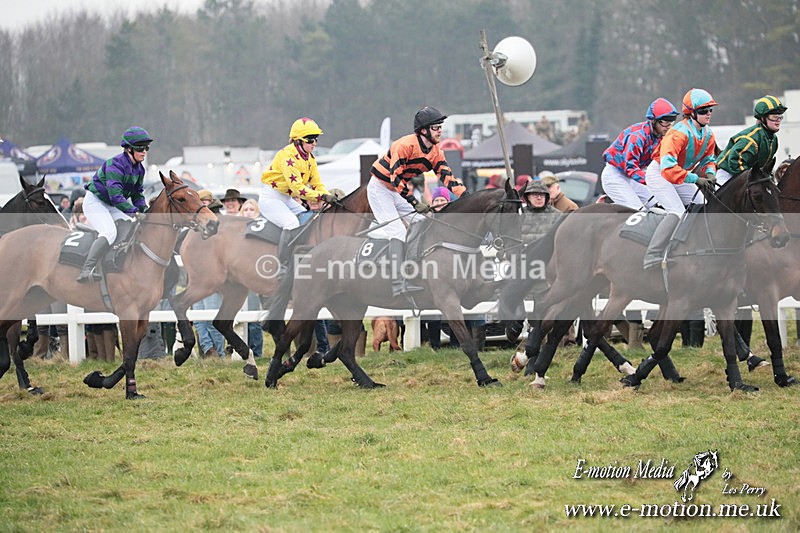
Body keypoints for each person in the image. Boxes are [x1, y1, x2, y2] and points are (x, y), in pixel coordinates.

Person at [368, 106, 468, 297]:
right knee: (397, 231)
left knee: (424, 222)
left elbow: (447, 176)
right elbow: (395, 179)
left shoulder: (436, 151)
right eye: (436, 127)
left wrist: (465, 195)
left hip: (397, 190)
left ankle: (414, 269)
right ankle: (398, 283)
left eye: (440, 127)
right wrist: (415, 202)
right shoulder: (404, 146)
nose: (440, 131)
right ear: (423, 130)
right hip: (380, 188)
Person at [643, 88, 718, 268]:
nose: (708, 114)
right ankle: (652, 254)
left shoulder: (708, 134)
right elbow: (668, 169)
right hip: (660, 173)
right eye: (703, 111)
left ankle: (690, 246)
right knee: (677, 211)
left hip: (680, 174)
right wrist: (696, 179)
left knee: (702, 207)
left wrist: (710, 174)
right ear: (691, 113)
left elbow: (709, 159)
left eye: (710, 110)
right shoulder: (678, 133)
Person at [259, 117, 338, 278]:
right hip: (271, 198)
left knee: (310, 218)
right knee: (291, 222)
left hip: (286, 198)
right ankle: (282, 265)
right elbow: (298, 189)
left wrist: (328, 195)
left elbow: (317, 184)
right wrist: (322, 196)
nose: (314, 143)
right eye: (310, 139)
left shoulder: (310, 159)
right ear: (298, 140)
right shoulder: (288, 156)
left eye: (316, 139)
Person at [77, 126, 151, 283]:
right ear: (128, 149)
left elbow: (137, 194)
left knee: (131, 227)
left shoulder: (140, 169)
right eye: (140, 147)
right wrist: (134, 212)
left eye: (146, 147)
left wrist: (144, 210)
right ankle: (87, 269)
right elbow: (116, 196)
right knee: (110, 232)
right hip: (95, 202)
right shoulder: (114, 164)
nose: (144, 151)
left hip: (111, 205)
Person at [601, 98, 679, 209]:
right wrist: (654, 181)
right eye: (665, 122)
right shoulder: (637, 137)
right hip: (615, 175)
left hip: (634, 176)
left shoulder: (661, 136)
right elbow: (630, 168)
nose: (669, 127)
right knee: (638, 211)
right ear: (653, 121)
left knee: (659, 205)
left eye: (671, 122)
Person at [716, 95, 787, 186]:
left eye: (780, 117)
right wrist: (753, 178)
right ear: (762, 118)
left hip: (749, 175)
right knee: (723, 200)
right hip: (727, 174)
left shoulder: (773, 140)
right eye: (774, 117)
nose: (778, 120)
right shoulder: (750, 139)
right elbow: (735, 162)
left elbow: (765, 166)